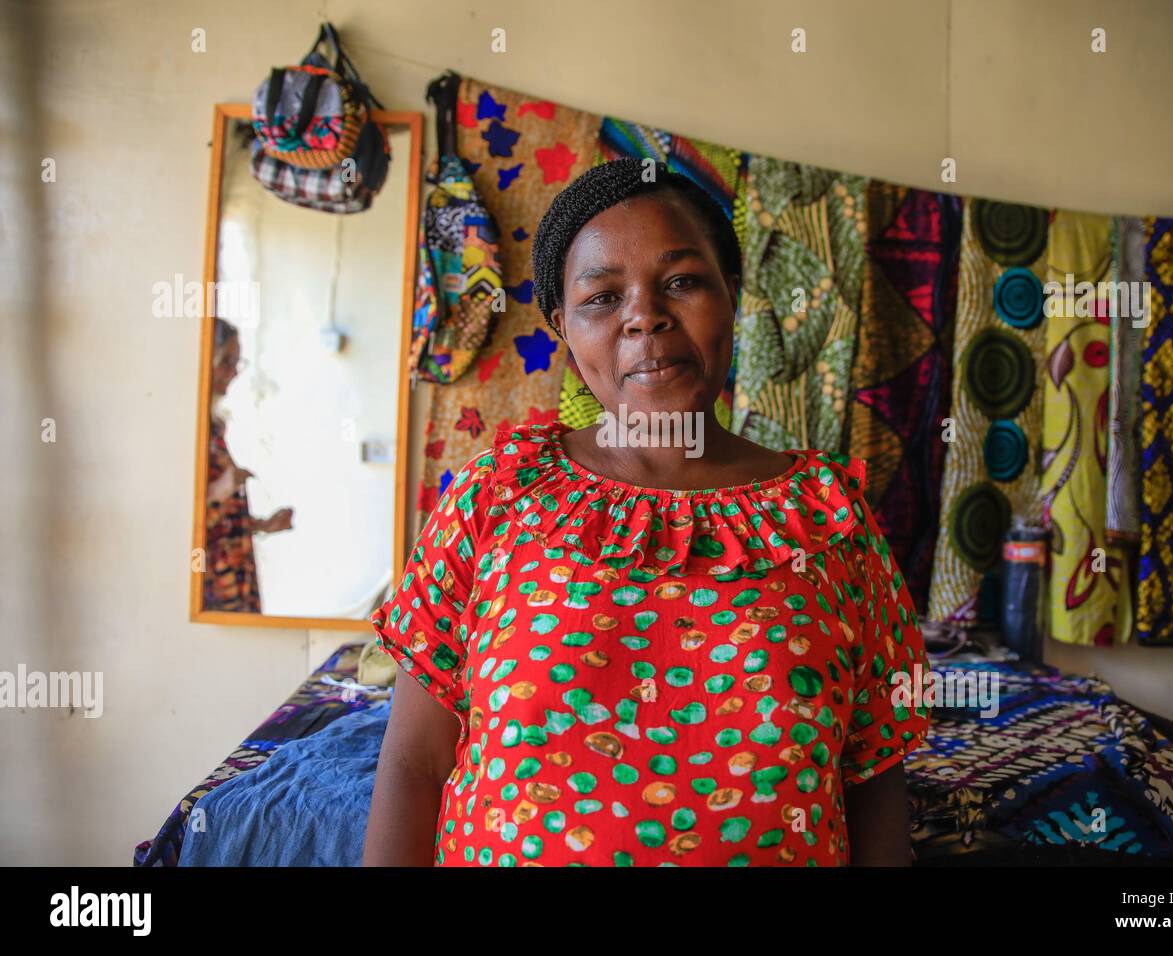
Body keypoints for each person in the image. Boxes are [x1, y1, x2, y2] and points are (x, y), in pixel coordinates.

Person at [364, 158, 932, 867]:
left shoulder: (829, 519)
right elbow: (413, 765)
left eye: (683, 282)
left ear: (732, 295)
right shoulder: (494, 497)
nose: (645, 315)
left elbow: (872, 774)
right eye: (602, 297)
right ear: (562, 328)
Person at [204, 318, 294, 612]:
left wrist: (261, 525)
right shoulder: (187, 430)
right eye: (226, 360)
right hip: (212, 581)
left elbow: (220, 518)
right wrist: (219, 489)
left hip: (235, 569)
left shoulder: (214, 427)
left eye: (236, 361)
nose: (232, 372)